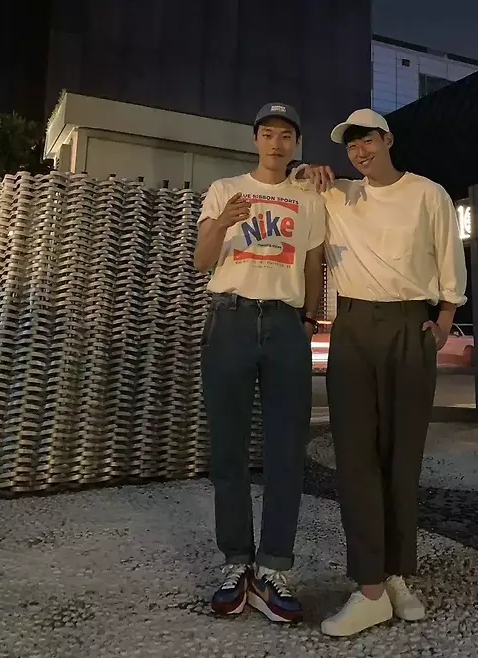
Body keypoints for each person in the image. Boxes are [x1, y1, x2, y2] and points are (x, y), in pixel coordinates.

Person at [290, 108, 467, 636]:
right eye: (351, 146)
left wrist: (444, 321)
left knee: (402, 459)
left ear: (387, 139)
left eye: (366, 141)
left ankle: (394, 577)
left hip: (410, 324)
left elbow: (449, 257)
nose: (359, 152)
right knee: (355, 459)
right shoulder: (338, 194)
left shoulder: (428, 193)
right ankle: (370, 586)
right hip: (352, 326)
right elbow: (293, 184)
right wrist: (303, 169)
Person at [194, 103, 326, 624]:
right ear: (255, 139)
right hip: (229, 318)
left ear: (296, 144)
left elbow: (313, 263)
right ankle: (236, 563)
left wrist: (310, 320)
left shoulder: (308, 197)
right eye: (268, 134)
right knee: (227, 448)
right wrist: (223, 222)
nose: (276, 143)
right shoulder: (225, 190)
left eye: (286, 135)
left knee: (286, 449)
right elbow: (202, 260)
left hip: (285, 323)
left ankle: (274, 568)